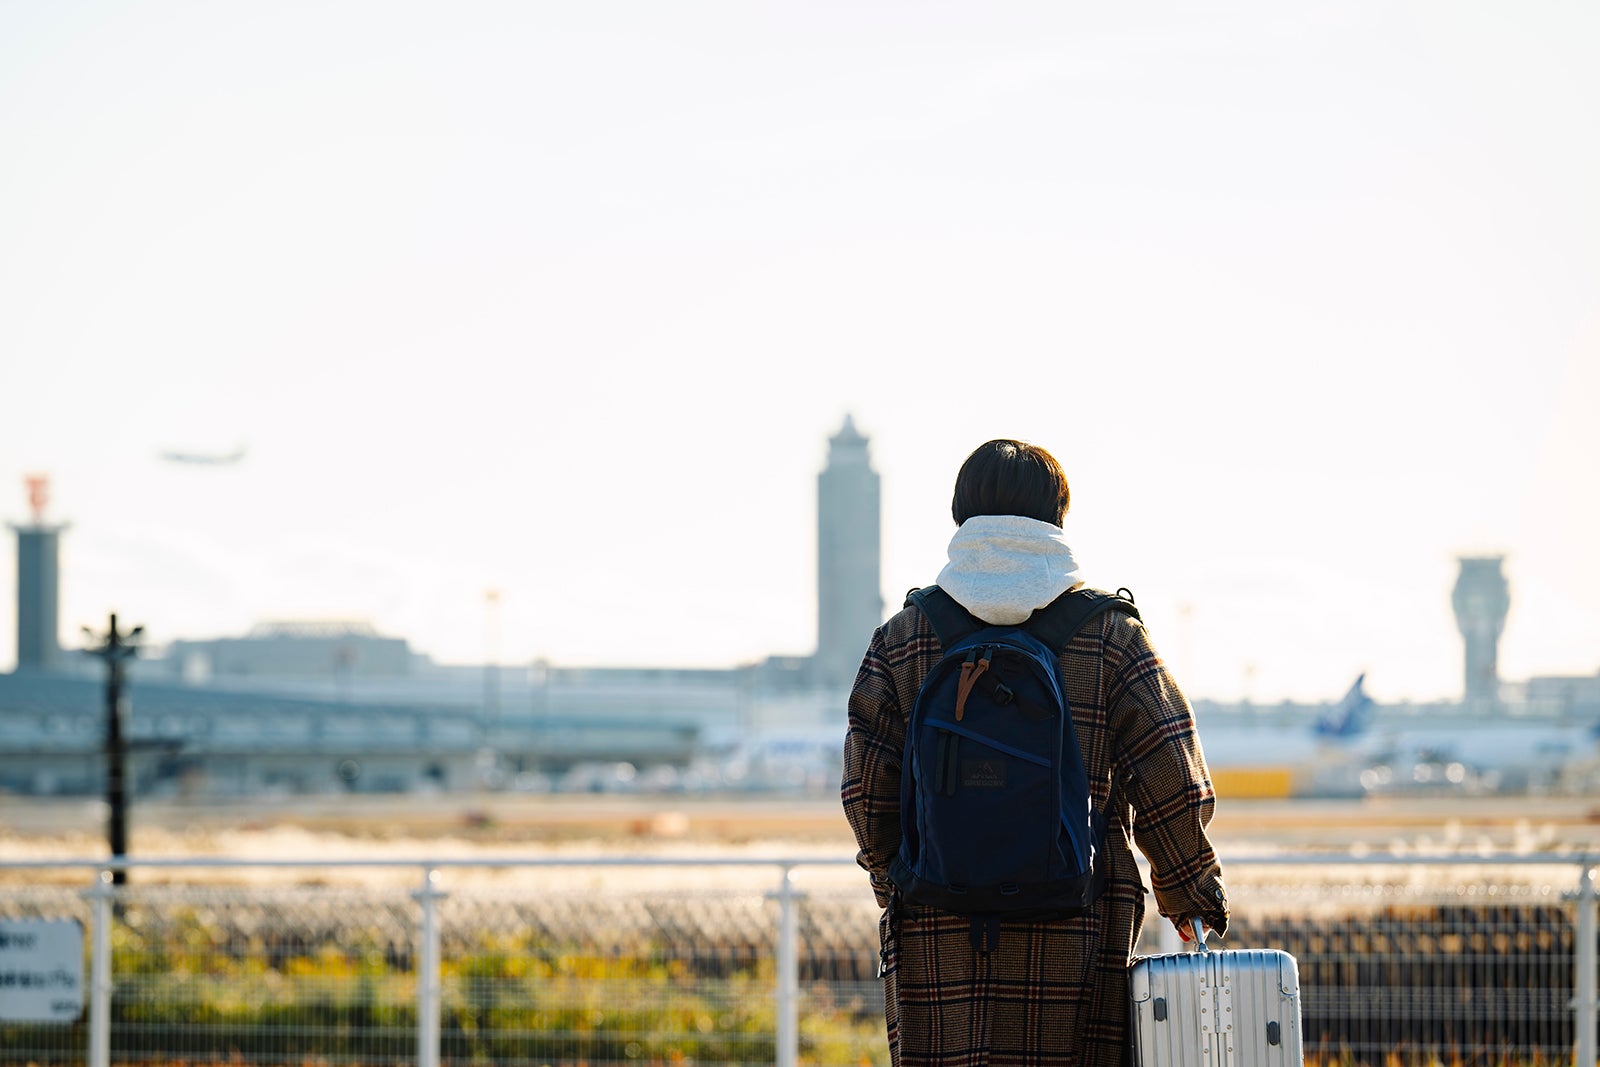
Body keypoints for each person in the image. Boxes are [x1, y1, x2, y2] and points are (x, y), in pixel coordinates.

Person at [842, 438, 1228, 1067]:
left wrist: (901, 884)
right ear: (1057, 518)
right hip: (1078, 923)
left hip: (939, 933)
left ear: (960, 516)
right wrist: (1189, 891)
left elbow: (866, 791)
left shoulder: (906, 638)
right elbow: (1171, 779)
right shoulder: (1109, 635)